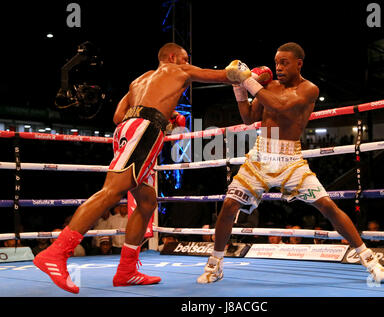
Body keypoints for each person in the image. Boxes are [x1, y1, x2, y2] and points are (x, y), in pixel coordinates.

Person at [34, 42, 236, 294]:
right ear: (172, 57)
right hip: (144, 131)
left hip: (127, 131)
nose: (187, 63)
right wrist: (249, 74)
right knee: (111, 192)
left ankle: (126, 271)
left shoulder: (139, 81)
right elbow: (223, 75)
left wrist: (167, 116)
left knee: (147, 202)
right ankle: (56, 253)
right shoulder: (177, 70)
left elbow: (119, 116)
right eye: (185, 58)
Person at [198, 42, 384, 284]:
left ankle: (370, 261)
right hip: (260, 156)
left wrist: (248, 81)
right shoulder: (267, 86)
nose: (278, 67)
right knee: (228, 206)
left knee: (327, 206)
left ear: (299, 63)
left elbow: (280, 106)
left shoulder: (309, 89)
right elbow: (248, 118)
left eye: (284, 62)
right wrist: (238, 86)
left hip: (291, 160)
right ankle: (215, 265)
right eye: (276, 62)